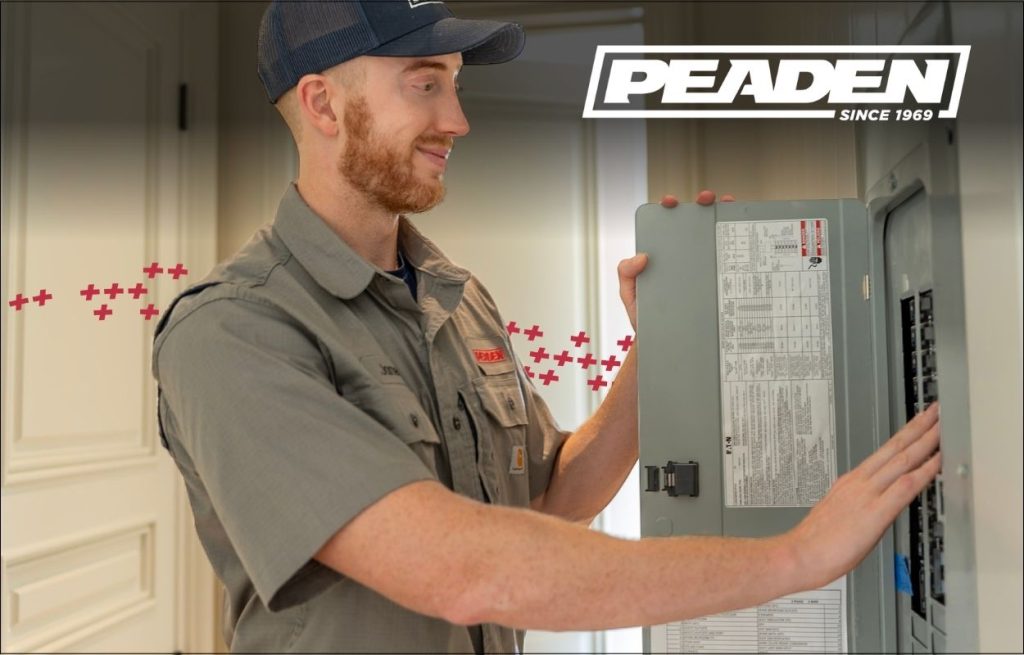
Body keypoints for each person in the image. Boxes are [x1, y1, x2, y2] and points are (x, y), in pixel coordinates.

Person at [151, 1, 942, 652]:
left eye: (455, 86)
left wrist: (659, 347)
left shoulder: (456, 299)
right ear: (323, 102)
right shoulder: (233, 331)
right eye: (425, 86)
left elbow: (552, 500)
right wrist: (797, 557)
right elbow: (463, 569)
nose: (456, 120)